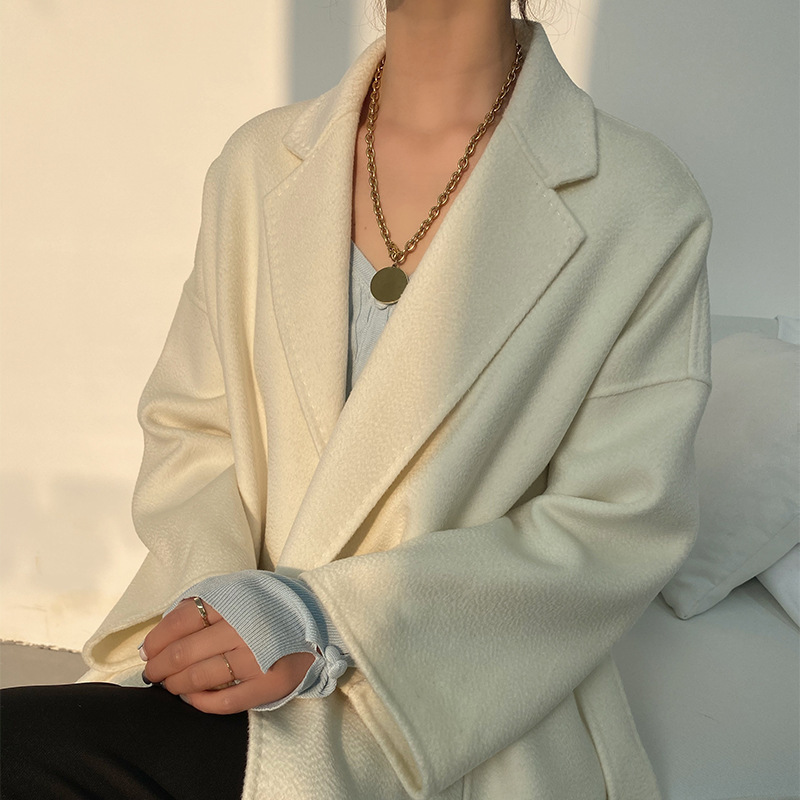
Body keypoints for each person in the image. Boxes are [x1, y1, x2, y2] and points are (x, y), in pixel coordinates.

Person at [1, 1, 713, 798]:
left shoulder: (639, 200)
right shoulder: (257, 165)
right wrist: (222, 609)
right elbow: (194, 429)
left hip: (441, 710)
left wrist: (329, 622)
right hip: (227, 676)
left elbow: (618, 524)